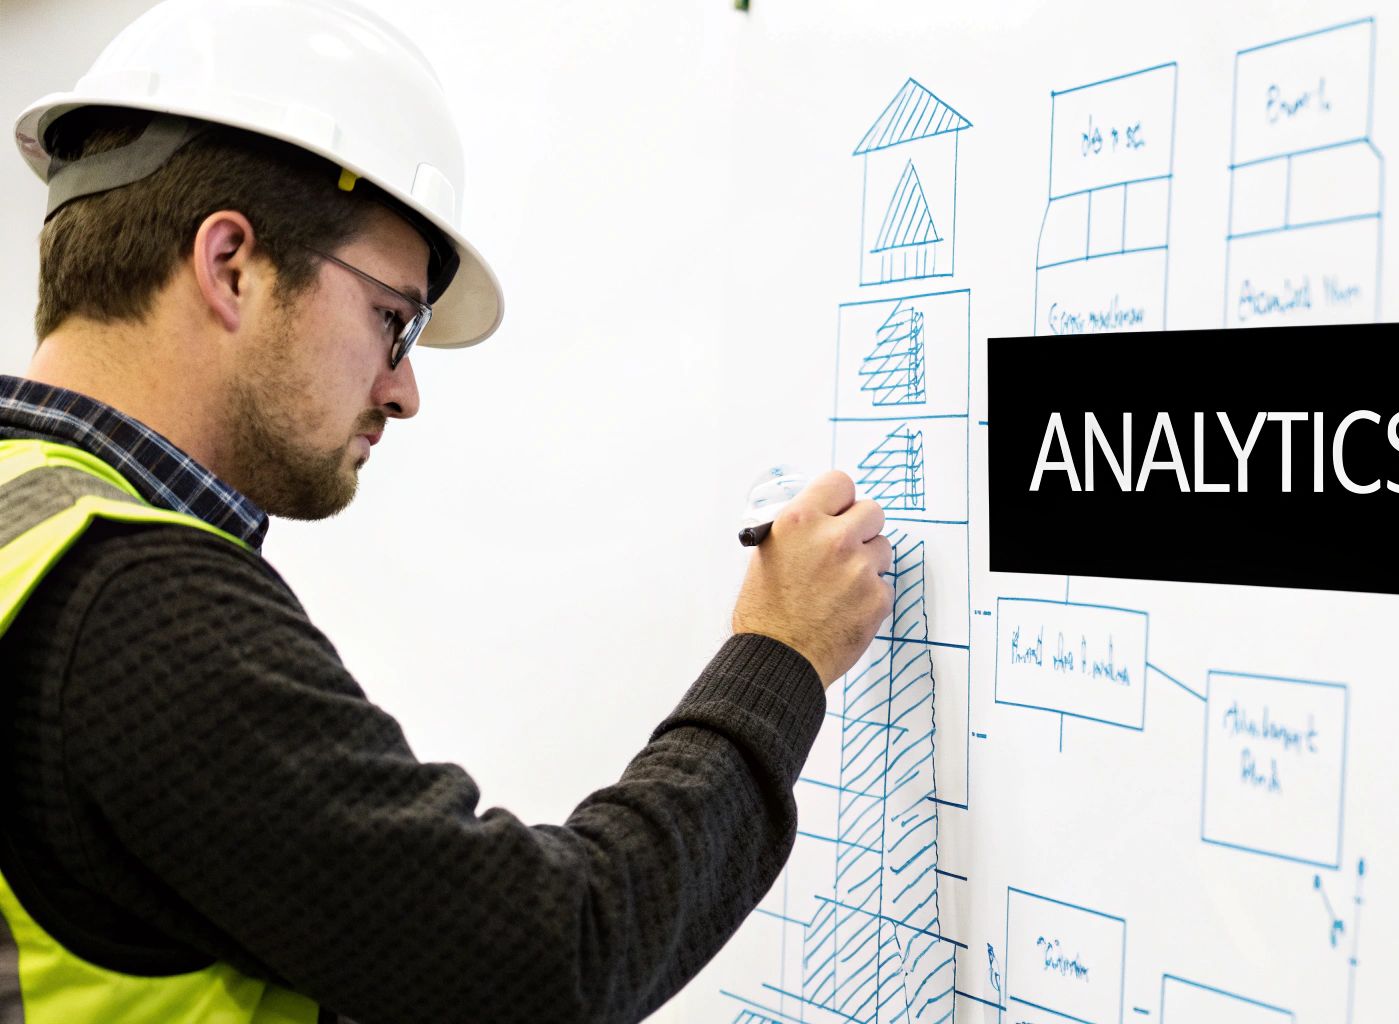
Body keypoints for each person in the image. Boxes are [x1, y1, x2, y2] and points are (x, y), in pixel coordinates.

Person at [0, 1, 891, 1021]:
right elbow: (549, 956)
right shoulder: (134, 608)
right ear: (231, 264)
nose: (404, 389)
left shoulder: (24, 524)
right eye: (392, 320)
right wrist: (779, 658)